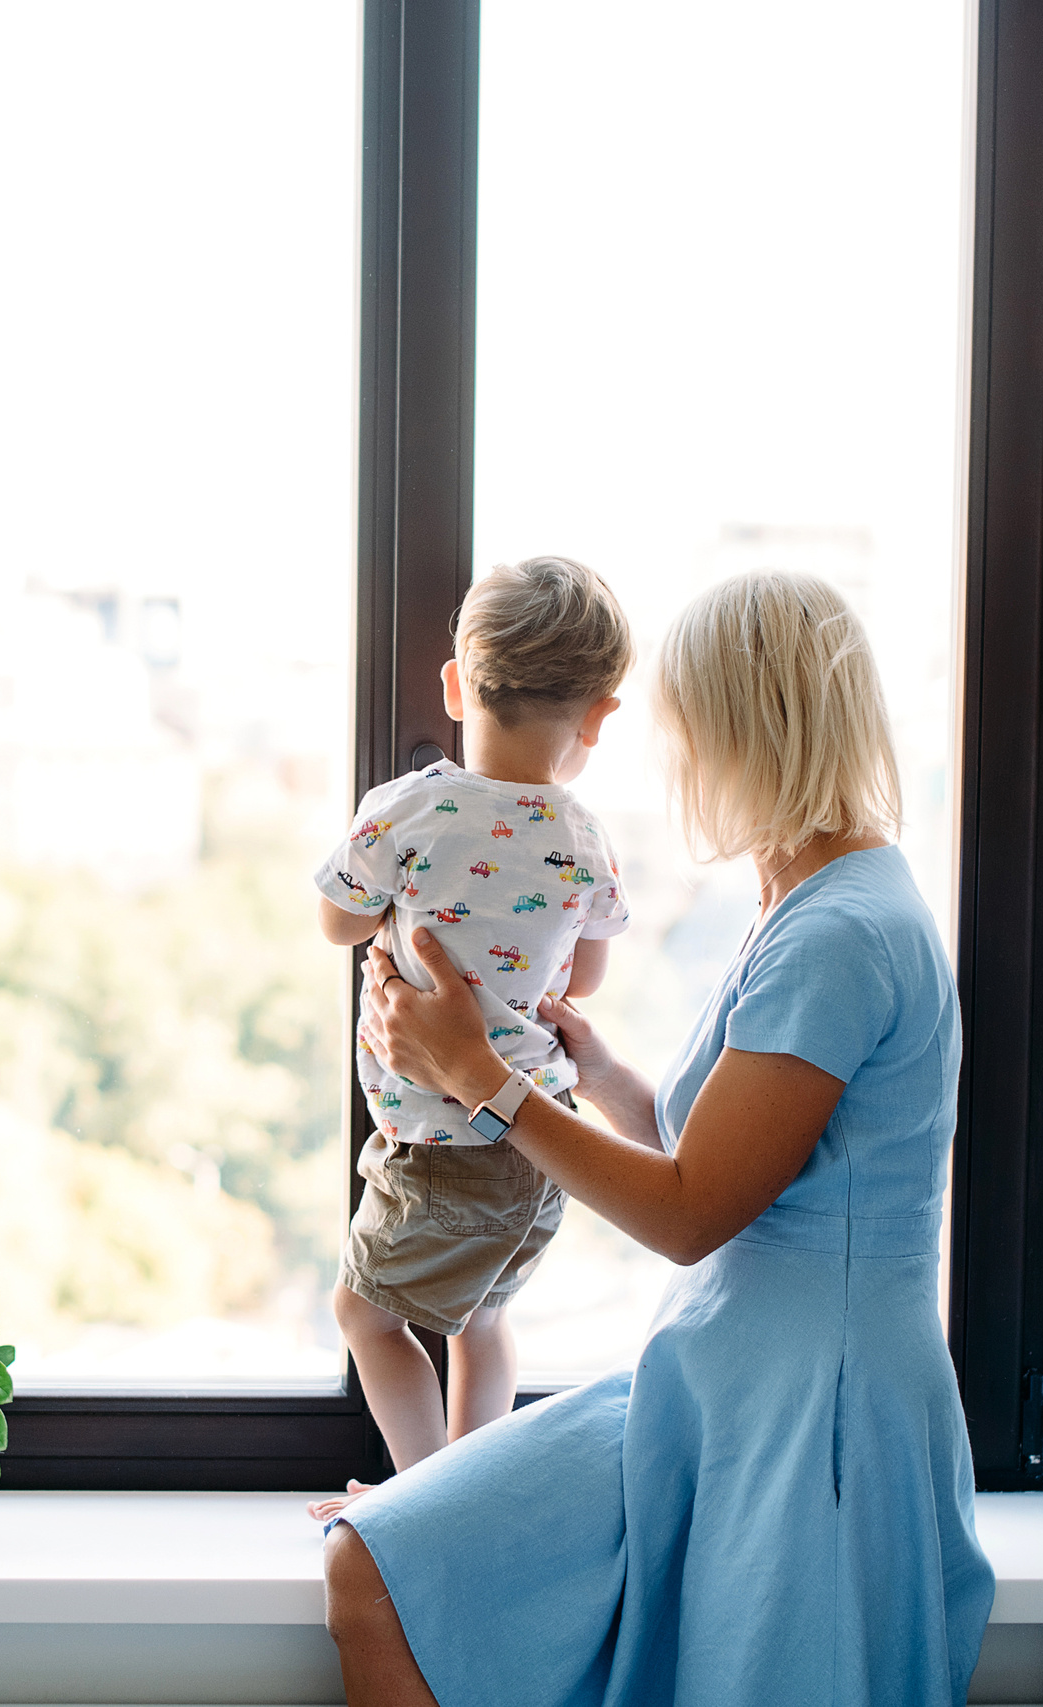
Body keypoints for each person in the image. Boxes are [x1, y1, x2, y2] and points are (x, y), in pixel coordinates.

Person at [322, 570, 995, 1706]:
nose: (672, 763)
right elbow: (733, 1153)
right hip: (721, 1377)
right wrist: (599, 1075)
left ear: (744, 734)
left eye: (685, 732)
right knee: (382, 1564)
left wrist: (479, 1079)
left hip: (801, 1409)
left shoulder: (838, 934)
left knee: (381, 1572)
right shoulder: (810, 903)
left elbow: (689, 1215)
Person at [308, 556, 634, 1522]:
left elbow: (336, 922)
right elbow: (584, 980)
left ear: (457, 684)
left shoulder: (406, 808)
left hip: (439, 1151)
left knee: (362, 1312)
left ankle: (420, 1503)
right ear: (599, 716)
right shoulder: (583, 835)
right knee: (482, 1320)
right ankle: (469, 1498)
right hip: (538, 1143)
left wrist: (392, 922)